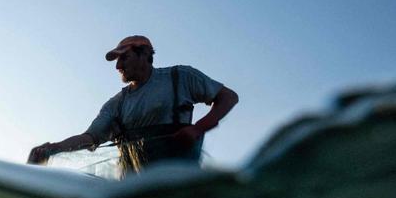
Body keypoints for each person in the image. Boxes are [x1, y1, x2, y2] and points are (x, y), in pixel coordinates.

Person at [28, 35, 238, 171]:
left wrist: (198, 128)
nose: (118, 65)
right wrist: (54, 148)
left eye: (124, 57)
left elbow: (228, 97)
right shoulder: (116, 104)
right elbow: (89, 138)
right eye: (116, 60)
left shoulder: (180, 77)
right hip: (131, 192)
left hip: (177, 185)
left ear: (145, 54)